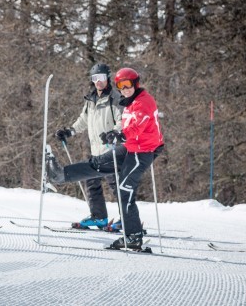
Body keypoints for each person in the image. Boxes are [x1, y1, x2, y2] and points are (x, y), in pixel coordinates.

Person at [46, 67, 164, 250]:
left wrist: (119, 135)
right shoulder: (124, 101)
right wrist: (114, 135)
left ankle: (132, 235)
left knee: (124, 188)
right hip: (127, 146)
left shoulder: (141, 102)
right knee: (97, 165)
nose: (125, 88)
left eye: (128, 84)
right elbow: (85, 120)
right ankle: (60, 175)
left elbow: (137, 126)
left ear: (136, 84)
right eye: (121, 85)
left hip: (143, 150)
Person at [54, 63, 122, 230]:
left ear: (108, 78)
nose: (98, 82)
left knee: (117, 186)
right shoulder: (91, 99)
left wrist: (114, 132)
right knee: (91, 182)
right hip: (96, 150)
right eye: (95, 78)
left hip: (112, 150)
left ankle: (127, 219)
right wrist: (70, 131)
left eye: (101, 78)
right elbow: (83, 120)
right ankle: (99, 217)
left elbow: (123, 120)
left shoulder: (115, 98)